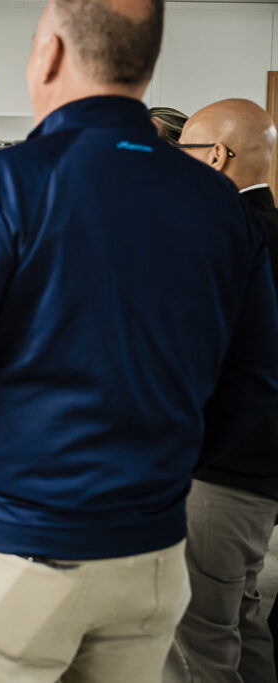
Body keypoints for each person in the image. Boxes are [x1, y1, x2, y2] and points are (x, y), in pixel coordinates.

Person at [0, 1, 278, 681]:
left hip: (16, 550)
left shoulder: (2, 184)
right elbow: (256, 375)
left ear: (48, 53)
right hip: (150, 555)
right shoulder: (220, 206)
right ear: (146, 65)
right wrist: (168, 456)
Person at [165, 98, 278, 683]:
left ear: (215, 156)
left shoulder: (218, 239)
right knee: (242, 616)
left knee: (192, 641)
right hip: (261, 475)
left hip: (217, 472)